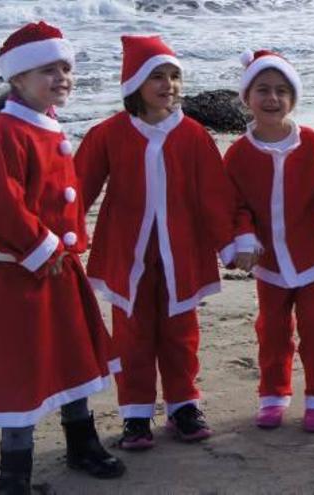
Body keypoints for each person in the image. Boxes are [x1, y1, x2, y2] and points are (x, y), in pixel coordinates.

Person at [0, 21, 125, 493]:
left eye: (66, 67)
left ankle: (81, 443)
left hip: (58, 269)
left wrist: (64, 248)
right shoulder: (7, 133)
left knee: (73, 356)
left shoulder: (42, 123)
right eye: (48, 70)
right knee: (22, 369)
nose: (61, 77)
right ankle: (15, 471)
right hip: (20, 276)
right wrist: (42, 248)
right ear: (18, 79)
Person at [75, 35, 235, 449]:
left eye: (175, 76)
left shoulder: (194, 135)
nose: (170, 85)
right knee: (131, 335)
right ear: (134, 84)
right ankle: (136, 414)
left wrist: (230, 244)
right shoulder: (108, 133)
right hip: (128, 256)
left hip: (180, 254)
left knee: (181, 332)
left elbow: (215, 197)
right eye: (158, 76)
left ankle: (183, 405)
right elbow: (78, 188)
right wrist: (65, 234)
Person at [224, 49, 314, 433]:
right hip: (270, 265)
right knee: (273, 330)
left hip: (313, 257)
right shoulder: (238, 154)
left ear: (293, 99)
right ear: (247, 98)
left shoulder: (312, 143)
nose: (272, 98)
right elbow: (236, 204)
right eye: (262, 89)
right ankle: (273, 395)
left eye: (282, 90)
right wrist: (244, 238)